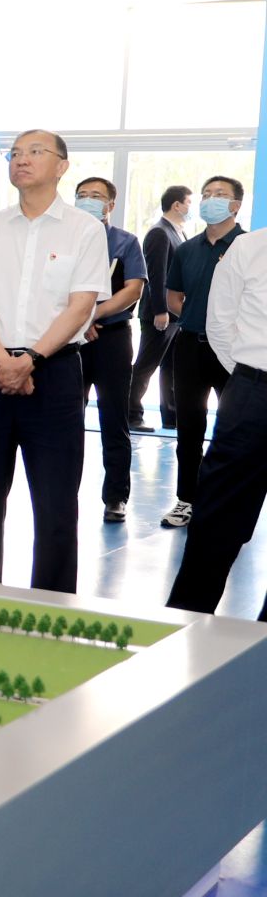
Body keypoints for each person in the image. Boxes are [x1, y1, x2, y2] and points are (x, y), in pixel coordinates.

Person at [0, 130, 108, 594]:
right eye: (16, 153)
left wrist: (32, 359)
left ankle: (53, 604)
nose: (21, 160)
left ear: (61, 166)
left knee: (56, 504)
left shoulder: (84, 229)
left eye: (35, 152)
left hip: (55, 373)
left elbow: (80, 307)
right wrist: (3, 360)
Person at [166, 225, 267, 619]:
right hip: (253, 394)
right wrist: (250, 379)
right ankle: (183, 623)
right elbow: (220, 325)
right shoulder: (249, 248)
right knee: (218, 520)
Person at [160, 176, 244, 530]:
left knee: (235, 430)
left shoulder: (248, 248)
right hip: (190, 347)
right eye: (206, 194)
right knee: (189, 428)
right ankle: (187, 500)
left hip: (235, 353)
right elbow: (173, 298)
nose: (211, 200)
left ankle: (227, 504)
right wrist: (200, 318)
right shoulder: (186, 249)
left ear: (236, 205)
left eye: (220, 195)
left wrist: (224, 329)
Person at [72, 176, 146, 524]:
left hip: (112, 338)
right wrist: (76, 322)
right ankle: (62, 489)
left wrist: (92, 314)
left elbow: (133, 290)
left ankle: (116, 496)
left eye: (95, 196)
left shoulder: (125, 242)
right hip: (69, 337)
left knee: (114, 418)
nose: (87, 200)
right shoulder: (63, 239)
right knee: (66, 417)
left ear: (110, 205)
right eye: (82, 194)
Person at [128, 184, 191, 431]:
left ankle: (171, 415)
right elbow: (156, 275)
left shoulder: (178, 232)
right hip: (160, 313)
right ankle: (131, 414)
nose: (191, 208)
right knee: (146, 364)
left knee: (171, 365)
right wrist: (160, 310)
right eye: (189, 202)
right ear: (176, 205)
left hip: (175, 313)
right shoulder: (160, 233)